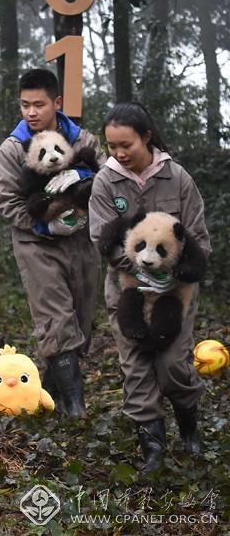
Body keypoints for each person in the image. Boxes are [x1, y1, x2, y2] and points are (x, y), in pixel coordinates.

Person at [88, 102, 210, 473]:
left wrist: (175, 273)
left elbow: (199, 239)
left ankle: (188, 424)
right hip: (127, 289)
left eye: (127, 145)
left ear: (146, 137)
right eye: (112, 146)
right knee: (136, 362)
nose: (119, 154)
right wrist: (139, 269)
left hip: (176, 291)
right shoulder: (106, 182)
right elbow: (102, 238)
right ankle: (153, 447)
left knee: (172, 362)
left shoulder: (177, 179)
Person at [0, 68, 104, 418]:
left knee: (81, 318)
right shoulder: (11, 150)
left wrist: (83, 174)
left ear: (57, 102)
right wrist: (46, 226)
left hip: (83, 239)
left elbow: (109, 177)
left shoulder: (83, 139)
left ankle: (49, 397)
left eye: (38, 104)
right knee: (55, 318)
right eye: (25, 105)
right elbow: (7, 202)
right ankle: (75, 410)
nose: (31, 112)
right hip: (37, 242)